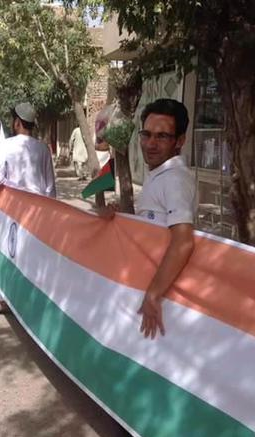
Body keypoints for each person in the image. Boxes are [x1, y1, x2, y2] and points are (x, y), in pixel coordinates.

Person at [101, 99, 197, 340]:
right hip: (149, 287)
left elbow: (183, 241)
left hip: (162, 298)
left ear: (180, 140)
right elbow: (155, 229)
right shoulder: (160, 174)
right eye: (147, 134)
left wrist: (154, 294)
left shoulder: (174, 179)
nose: (151, 144)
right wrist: (120, 219)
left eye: (162, 136)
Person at [0, 103, 56, 314]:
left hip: (12, 210)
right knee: (33, 255)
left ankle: (6, 300)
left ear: (16, 122)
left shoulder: (5, 146)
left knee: (8, 253)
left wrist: (8, 185)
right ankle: (33, 300)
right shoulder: (43, 148)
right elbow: (51, 187)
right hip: (38, 211)